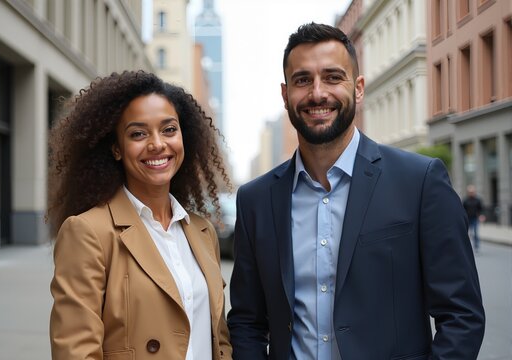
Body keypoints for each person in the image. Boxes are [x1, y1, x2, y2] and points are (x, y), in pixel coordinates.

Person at [227, 23, 485, 360]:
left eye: (333, 77)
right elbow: (246, 321)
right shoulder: (255, 200)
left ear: (359, 88)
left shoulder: (420, 182)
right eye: (302, 80)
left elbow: (462, 316)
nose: (318, 93)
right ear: (285, 94)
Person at [47, 70, 233, 360]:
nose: (157, 144)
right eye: (138, 133)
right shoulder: (87, 232)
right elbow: (76, 352)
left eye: (169, 129)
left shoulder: (202, 231)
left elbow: (218, 339)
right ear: (116, 149)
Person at [462, 185, 485, 251]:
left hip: (475, 218)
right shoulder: (465, 200)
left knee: (475, 233)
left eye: (472, 192)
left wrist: (481, 215)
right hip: (467, 219)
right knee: (467, 234)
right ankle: (466, 246)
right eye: (470, 192)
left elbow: (481, 209)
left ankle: (476, 246)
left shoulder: (478, 200)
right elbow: (463, 210)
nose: (471, 193)